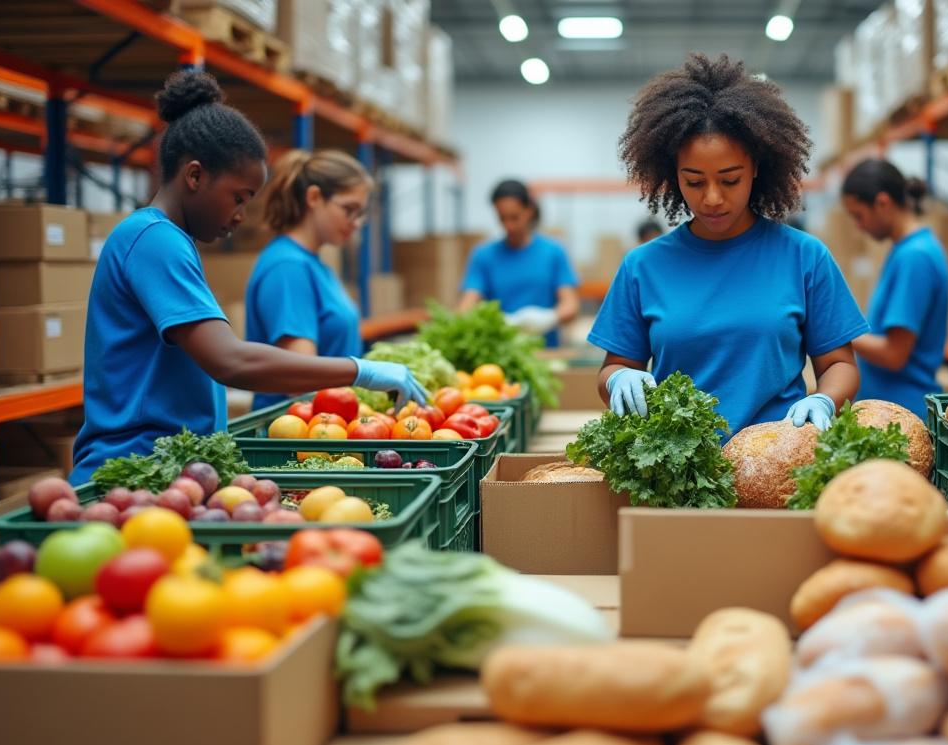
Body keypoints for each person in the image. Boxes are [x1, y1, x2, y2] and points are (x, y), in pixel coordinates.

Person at [71, 71, 427, 484]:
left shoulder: (167, 240)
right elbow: (230, 361)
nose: (241, 216)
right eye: (238, 198)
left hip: (168, 473)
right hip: (131, 472)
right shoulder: (153, 241)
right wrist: (359, 370)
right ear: (194, 176)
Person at [589, 53, 868, 435]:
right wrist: (619, 379)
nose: (712, 198)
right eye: (694, 181)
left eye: (730, 179)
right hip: (679, 463)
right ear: (672, 175)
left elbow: (839, 364)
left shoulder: (805, 258)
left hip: (777, 456)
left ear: (756, 167)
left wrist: (824, 399)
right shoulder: (642, 267)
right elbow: (613, 368)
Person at [244, 150, 372, 411]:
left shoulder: (314, 265)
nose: (356, 223)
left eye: (360, 213)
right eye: (349, 209)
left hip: (327, 422)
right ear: (314, 197)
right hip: (295, 429)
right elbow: (299, 381)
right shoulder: (288, 268)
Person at [840, 159, 948, 420]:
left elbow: (894, 354)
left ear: (882, 203)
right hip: (891, 413)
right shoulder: (906, 250)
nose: (858, 226)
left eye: (859, 216)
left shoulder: (915, 257)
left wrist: (835, 332)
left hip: (903, 417)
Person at [457, 179, 579, 346]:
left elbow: (571, 305)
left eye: (514, 217)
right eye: (502, 218)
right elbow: (466, 308)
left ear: (529, 211)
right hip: (501, 351)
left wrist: (548, 318)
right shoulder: (483, 256)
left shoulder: (553, 252)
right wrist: (492, 322)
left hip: (546, 350)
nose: (509, 226)